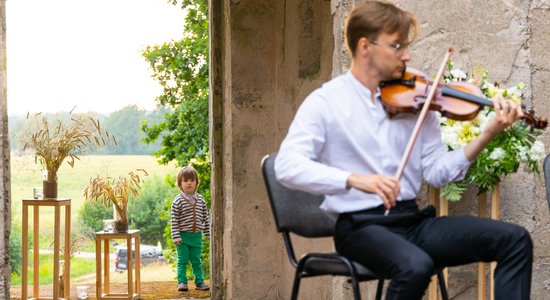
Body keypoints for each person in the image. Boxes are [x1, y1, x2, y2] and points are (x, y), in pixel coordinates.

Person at [274, 1, 532, 299]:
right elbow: (288, 165)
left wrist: (487, 134)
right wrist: (354, 179)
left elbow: (437, 172)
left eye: (407, 45)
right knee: (416, 266)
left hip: (412, 222)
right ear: (365, 46)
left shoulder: (416, 100)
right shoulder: (326, 102)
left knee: (515, 240)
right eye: (397, 46)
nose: (407, 56)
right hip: (360, 227)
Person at [171, 166, 210, 292]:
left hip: (196, 236)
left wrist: (207, 233)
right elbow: (174, 220)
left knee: (196, 260)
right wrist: (176, 236)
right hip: (182, 237)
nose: (189, 183)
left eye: (192, 180)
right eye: (185, 180)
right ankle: (182, 282)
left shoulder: (201, 199)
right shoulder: (177, 201)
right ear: (180, 184)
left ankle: (199, 281)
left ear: (196, 183)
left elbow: (205, 217)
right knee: (182, 260)